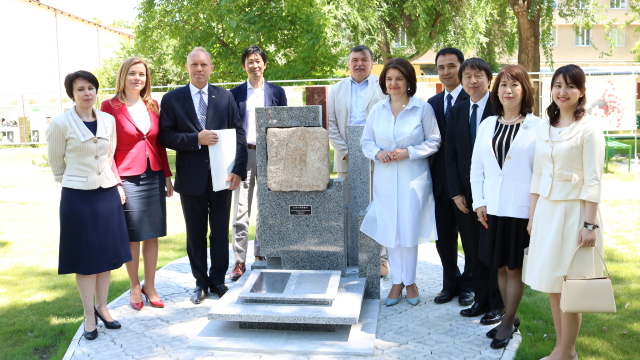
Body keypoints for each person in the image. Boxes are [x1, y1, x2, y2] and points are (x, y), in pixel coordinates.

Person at [524, 64, 605, 360]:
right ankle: (562, 349)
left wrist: (589, 225)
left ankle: (566, 351)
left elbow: (594, 180)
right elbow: (537, 175)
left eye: (570, 86)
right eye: (558, 85)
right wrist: (533, 217)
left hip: (575, 214)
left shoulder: (589, 128)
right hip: (546, 212)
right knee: (552, 284)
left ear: (581, 91)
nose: (563, 91)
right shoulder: (545, 127)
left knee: (571, 286)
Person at [158, 47, 247, 305]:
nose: (199, 69)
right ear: (187, 67)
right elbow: (165, 136)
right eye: (194, 64)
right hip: (191, 179)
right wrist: (195, 139)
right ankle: (200, 283)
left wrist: (238, 170)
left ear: (211, 68)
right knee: (195, 233)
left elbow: (239, 134)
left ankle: (217, 280)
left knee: (219, 231)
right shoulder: (173, 99)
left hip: (223, 177)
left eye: (204, 64)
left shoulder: (225, 97)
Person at [46, 70, 131, 340]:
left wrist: (115, 184)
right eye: (81, 89)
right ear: (72, 93)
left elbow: (109, 155)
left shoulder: (108, 120)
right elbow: (57, 164)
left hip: (106, 194)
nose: (87, 93)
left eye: (91, 88)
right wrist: (74, 182)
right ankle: (89, 315)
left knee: (105, 256)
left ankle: (103, 307)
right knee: (84, 259)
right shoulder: (60, 123)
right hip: (77, 197)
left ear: (96, 91)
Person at [469, 65, 541, 349]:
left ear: (524, 89)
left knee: (514, 268)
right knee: (498, 266)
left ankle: (508, 321)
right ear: (496, 91)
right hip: (493, 208)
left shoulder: (537, 126)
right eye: (502, 85)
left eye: (514, 85)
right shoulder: (488, 124)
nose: (507, 90)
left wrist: (536, 212)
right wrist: (479, 202)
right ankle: (508, 316)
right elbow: (476, 167)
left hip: (521, 210)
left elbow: (540, 171)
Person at [360, 58, 440, 306]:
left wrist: (410, 152)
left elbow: (434, 140)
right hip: (385, 180)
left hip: (412, 179)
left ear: (408, 82)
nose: (393, 83)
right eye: (389, 79)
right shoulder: (377, 110)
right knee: (390, 231)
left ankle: (411, 281)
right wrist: (377, 153)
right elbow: (366, 142)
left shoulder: (422, 109)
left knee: (408, 230)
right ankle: (396, 281)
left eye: (399, 79)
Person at [100, 57, 174, 311]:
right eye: (132, 73)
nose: (137, 78)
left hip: (153, 174)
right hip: (126, 177)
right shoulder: (109, 106)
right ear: (123, 75)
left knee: (152, 234)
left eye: (142, 74)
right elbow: (105, 148)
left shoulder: (152, 105)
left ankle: (149, 285)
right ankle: (134, 285)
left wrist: (166, 175)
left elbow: (159, 143)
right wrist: (116, 182)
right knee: (132, 236)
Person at [445, 58, 504, 324]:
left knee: (491, 250)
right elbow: (451, 154)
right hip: (466, 197)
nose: (472, 81)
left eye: (478, 75)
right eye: (467, 76)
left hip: (493, 194)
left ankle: (496, 303)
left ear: (488, 79)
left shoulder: (500, 106)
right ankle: (480, 300)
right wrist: (456, 193)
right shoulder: (457, 110)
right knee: (472, 250)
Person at [228, 45, 288, 281]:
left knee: (266, 208)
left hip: (269, 155)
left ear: (265, 64)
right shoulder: (233, 95)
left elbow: (285, 127)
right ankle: (239, 260)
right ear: (244, 66)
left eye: (258, 61)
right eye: (250, 62)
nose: (254, 65)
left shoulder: (277, 92)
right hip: (244, 155)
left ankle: (261, 254)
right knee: (241, 210)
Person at [328, 45, 387, 275]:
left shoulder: (382, 87)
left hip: (377, 159)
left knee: (377, 207)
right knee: (349, 209)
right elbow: (331, 125)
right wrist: (347, 152)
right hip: (347, 159)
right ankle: (350, 256)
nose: (359, 64)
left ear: (372, 63)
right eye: (355, 60)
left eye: (364, 59)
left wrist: (373, 150)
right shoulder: (336, 90)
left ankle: (380, 258)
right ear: (349, 63)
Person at [427, 48, 473, 305]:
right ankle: (450, 283)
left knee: (468, 239)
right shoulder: (432, 104)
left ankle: (469, 285)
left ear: (462, 68)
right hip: (439, 184)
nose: (446, 72)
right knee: (443, 239)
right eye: (441, 67)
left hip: (465, 186)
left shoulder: (473, 100)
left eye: (451, 66)